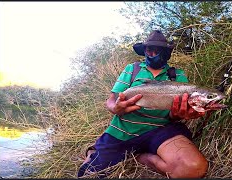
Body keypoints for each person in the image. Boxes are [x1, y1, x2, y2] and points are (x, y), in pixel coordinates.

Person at [78, 30, 209, 178]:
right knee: (88, 174)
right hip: (123, 131)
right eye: (149, 49)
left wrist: (178, 114)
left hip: (162, 130)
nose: (153, 53)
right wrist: (116, 108)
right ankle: (94, 151)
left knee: (194, 169)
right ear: (144, 51)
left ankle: (142, 158)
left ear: (166, 53)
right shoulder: (131, 69)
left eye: (158, 50)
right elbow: (111, 100)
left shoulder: (177, 75)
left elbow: (174, 114)